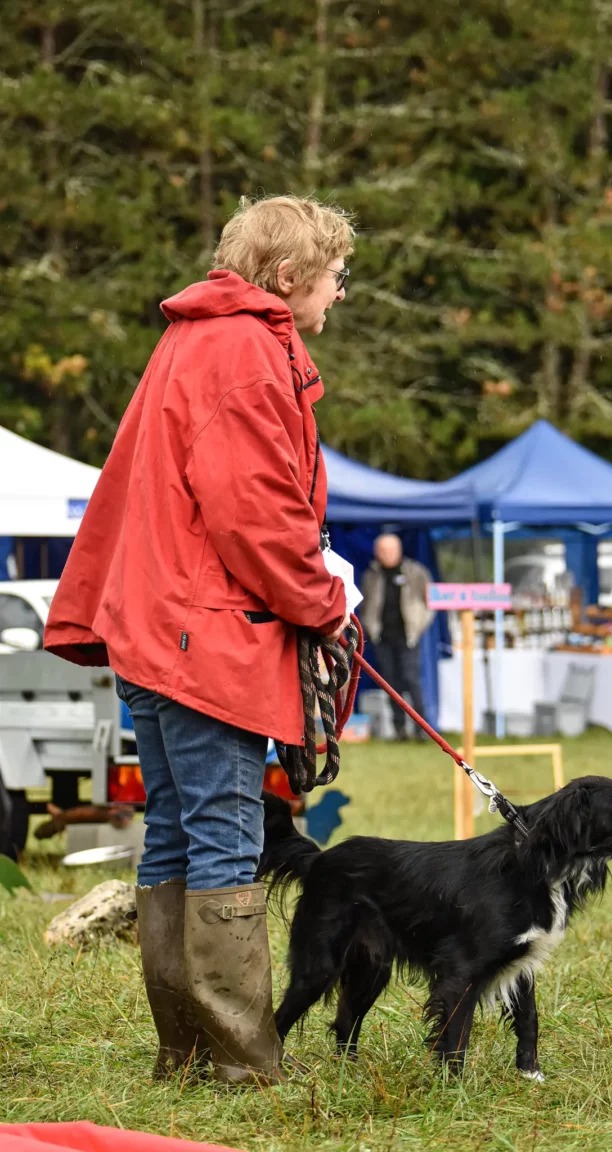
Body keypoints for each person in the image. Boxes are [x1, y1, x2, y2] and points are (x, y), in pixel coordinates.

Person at [44, 194, 354, 1086]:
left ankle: (182, 1051)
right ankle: (243, 1061)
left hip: (152, 629)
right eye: (334, 278)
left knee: (177, 832)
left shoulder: (195, 336)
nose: (338, 295)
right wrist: (322, 601)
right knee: (221, 834)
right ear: (289, 277)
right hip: (200, 638)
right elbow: (254, 516)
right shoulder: (248, 352)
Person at [360, 535, 434, 740]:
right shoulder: (371, 575)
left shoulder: (415, 572)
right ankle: (399, 728)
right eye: (383, 551)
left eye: (391, 550)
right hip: (383, 637)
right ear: (377, 552)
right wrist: (370, 627)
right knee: (391, 683)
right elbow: (366, 605)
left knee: (411, 679)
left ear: (399, 550)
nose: (387, 555)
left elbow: (430, 601)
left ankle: (423, 728)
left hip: (408, 636)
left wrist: (419, 624)